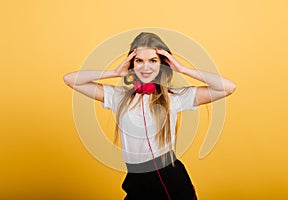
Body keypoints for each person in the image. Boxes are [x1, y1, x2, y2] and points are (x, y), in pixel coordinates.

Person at [63, 32, 236, 200]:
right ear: (131, 63)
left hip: (167, 179)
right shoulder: (118, 97)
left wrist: (182, 68)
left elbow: (228, 87)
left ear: (162, 64)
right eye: (139, 60)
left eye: (153, 60)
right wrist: (115, 73)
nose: (146, 67)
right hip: (135, 178)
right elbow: (71, 79)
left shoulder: (175, 97)